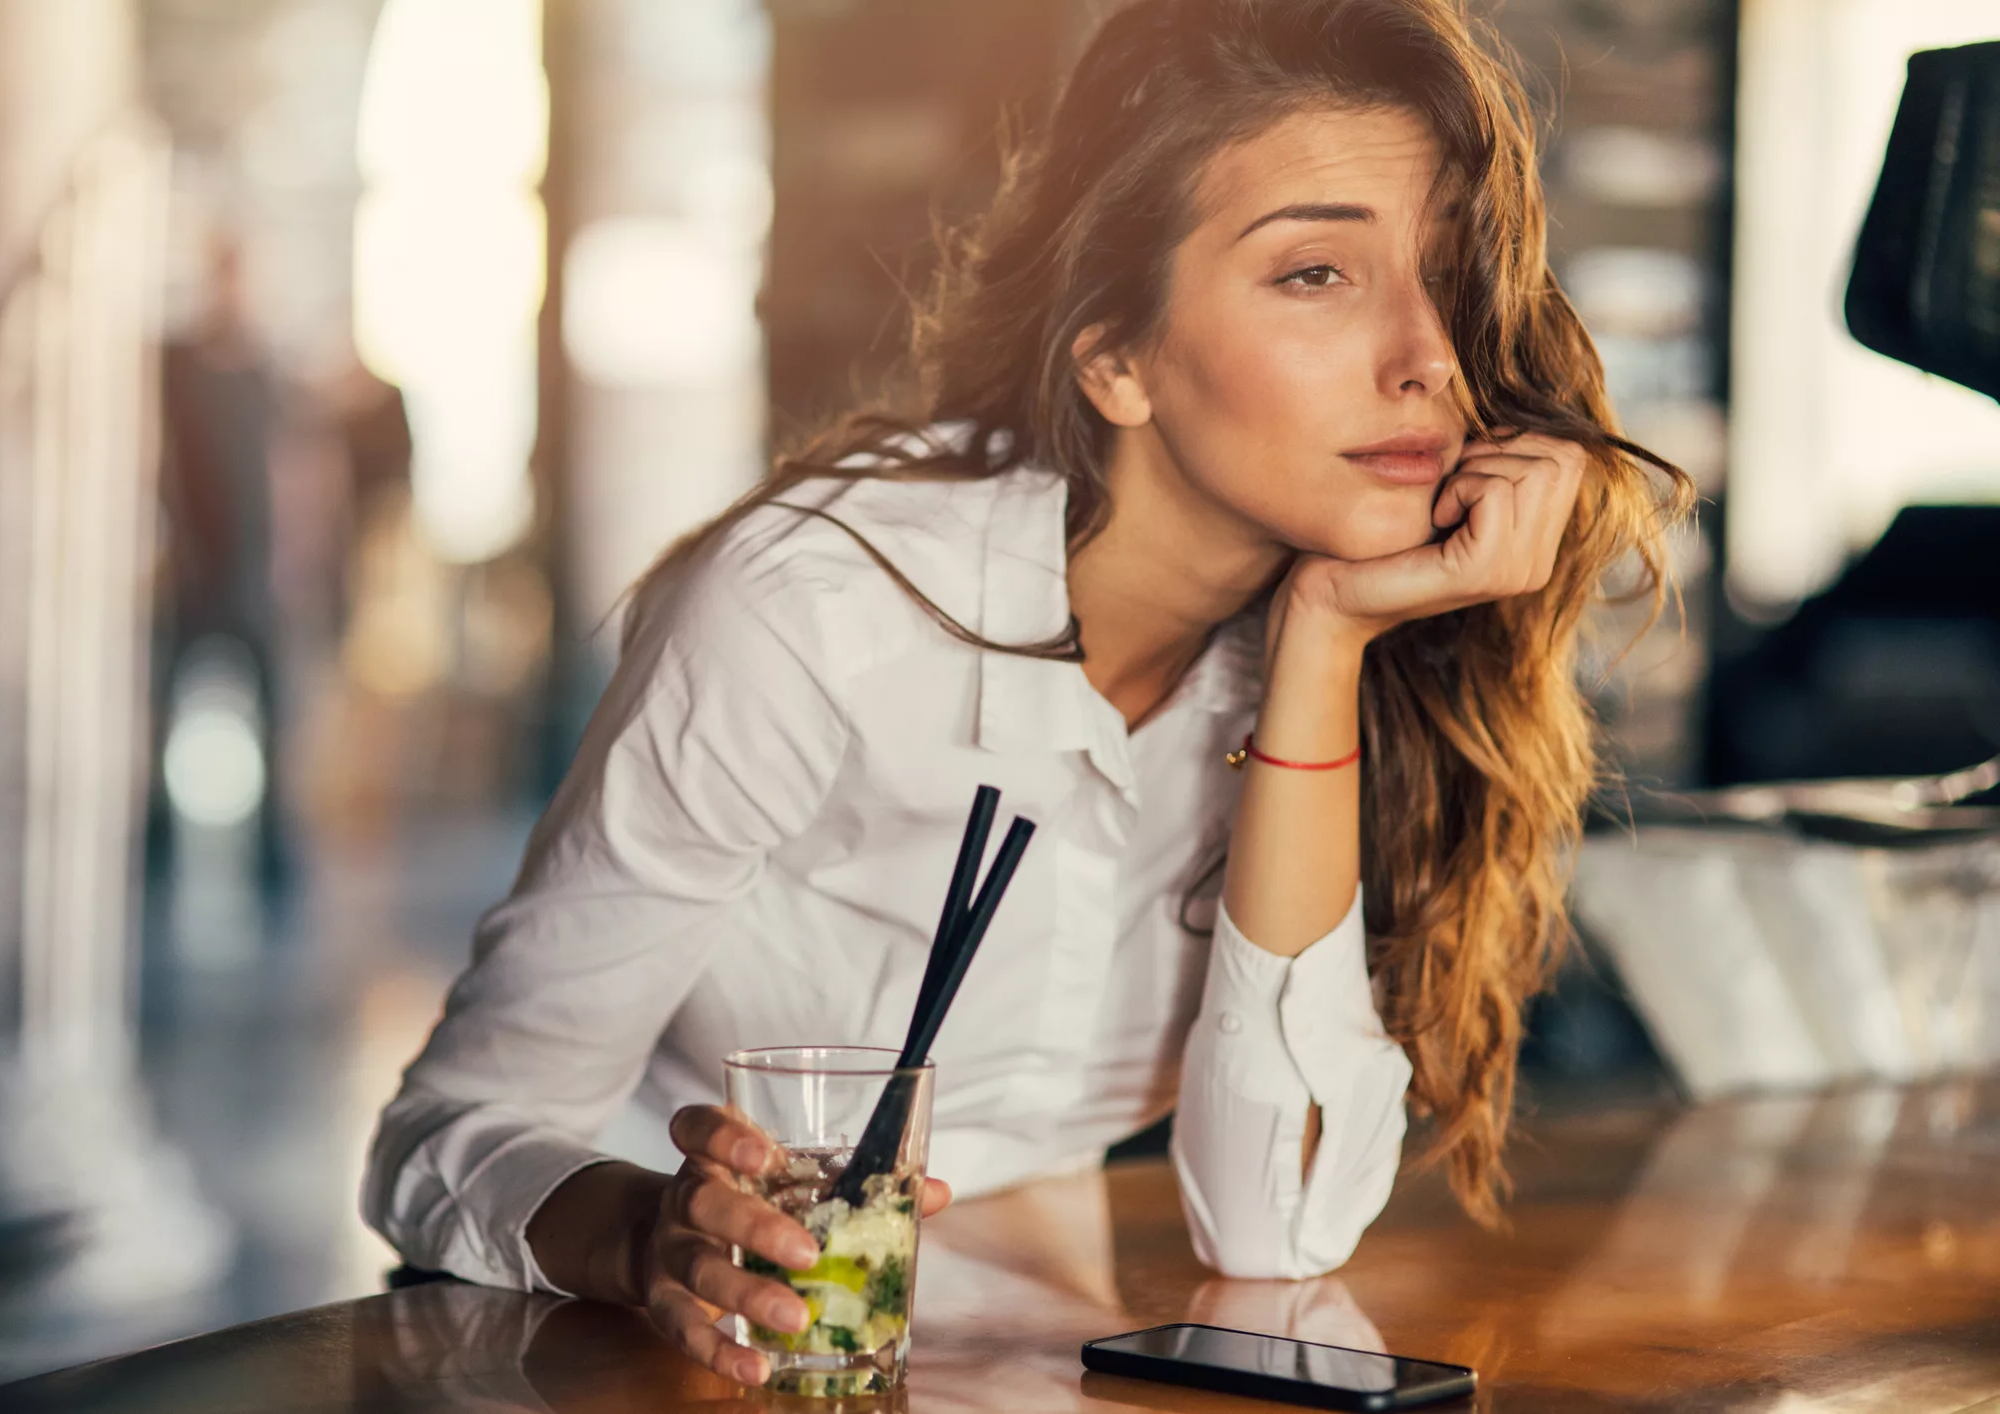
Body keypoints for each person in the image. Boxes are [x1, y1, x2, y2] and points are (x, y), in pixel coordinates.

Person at [362, 0, 1690, 1387]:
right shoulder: (815, 613)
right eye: (1317, 274)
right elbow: (450, 1132)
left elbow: (1277, 1226)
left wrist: (1324, 643)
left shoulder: (1359, 637)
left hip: (1036, 1361)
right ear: (1115, 356)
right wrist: (655, 1234)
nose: (1429, 353)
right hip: (667, 1363)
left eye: (1450, 271)